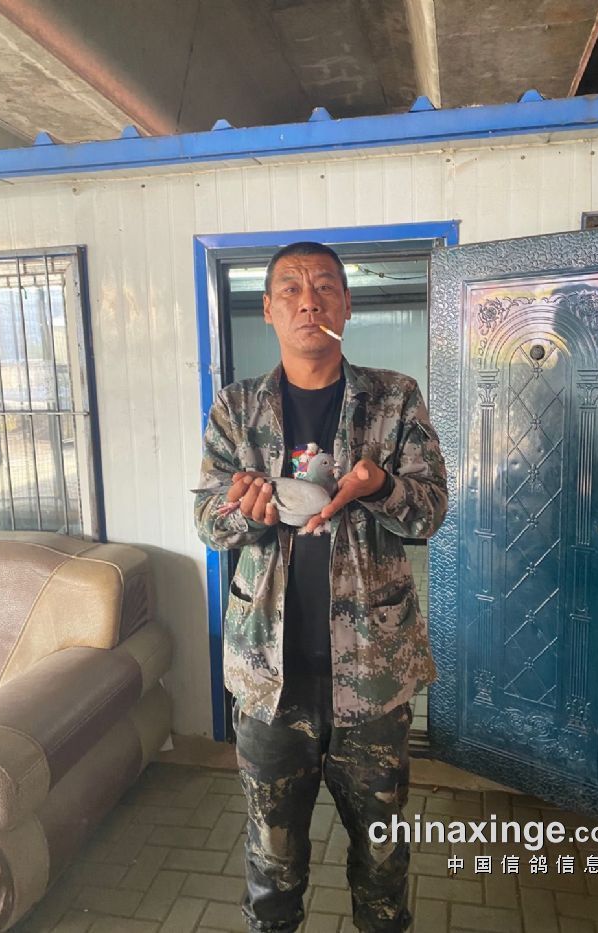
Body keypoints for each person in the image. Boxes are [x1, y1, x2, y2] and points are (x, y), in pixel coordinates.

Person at [194, 242, 448, 933]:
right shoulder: (237, 407)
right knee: (271, 868)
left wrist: (381, 484)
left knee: (383, 861)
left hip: (372, 678)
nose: (310, 301)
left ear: (347, 304)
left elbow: (430, 512)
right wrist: (242, 512)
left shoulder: (394, 399)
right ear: (269, 309)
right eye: (292, 289)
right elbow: (208, 520)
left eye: (326, 287)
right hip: (268, 682)